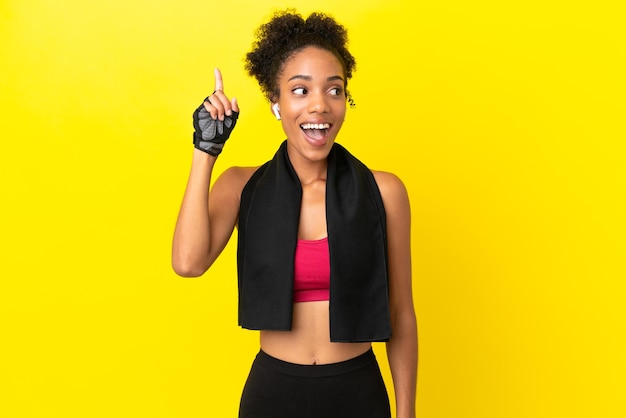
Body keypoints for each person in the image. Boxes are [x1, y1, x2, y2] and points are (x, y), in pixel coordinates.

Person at [172, 9, 417, 418]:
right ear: (276, 102)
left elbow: (401, 313)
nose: (319, 106)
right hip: (274, 394)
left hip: (358, 392)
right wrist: (205, 152)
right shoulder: (240, 186)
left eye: (333, 90)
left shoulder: (384, 191)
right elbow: (187, 262)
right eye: (300, 91)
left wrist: (407, 412)